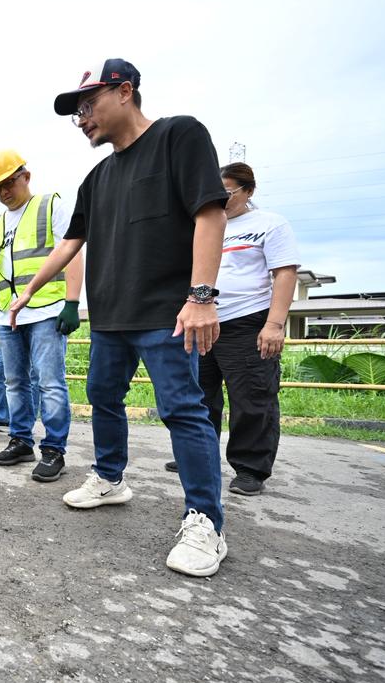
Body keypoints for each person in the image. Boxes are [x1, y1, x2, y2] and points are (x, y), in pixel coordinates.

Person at [12, 59, 228, 577]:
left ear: (125, 91)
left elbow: (210, 212)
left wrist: (201, 296)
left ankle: (205, 521)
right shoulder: (97, 177)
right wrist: (29, 293)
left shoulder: (179, 136)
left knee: (182, 410)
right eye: (77, 113)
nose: (82, 119)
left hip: (167, 313)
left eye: (88, 106)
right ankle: (110, 478)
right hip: (110, 317)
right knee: (103, 397)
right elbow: (70, 243)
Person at [165, 163, 299, 495]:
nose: (218, 198)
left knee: (252, 398)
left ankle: (250, 468)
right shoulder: (202, 224)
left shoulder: (269, 224)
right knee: (199, 396)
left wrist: (274, 324)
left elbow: (285, 273)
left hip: (247, 320)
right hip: (201, 321)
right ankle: (198, 454)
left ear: (248, 191)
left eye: (226, 192)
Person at [0, 150, 84, 483]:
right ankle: (21, 440)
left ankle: (54, 449)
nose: (4, 191)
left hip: (47, 311)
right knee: (14, 382)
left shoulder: (50, 206)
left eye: (9, 182)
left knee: (50, 382)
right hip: (9, 317)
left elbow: (73, 250)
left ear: (26, 176)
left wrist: (72, 302)